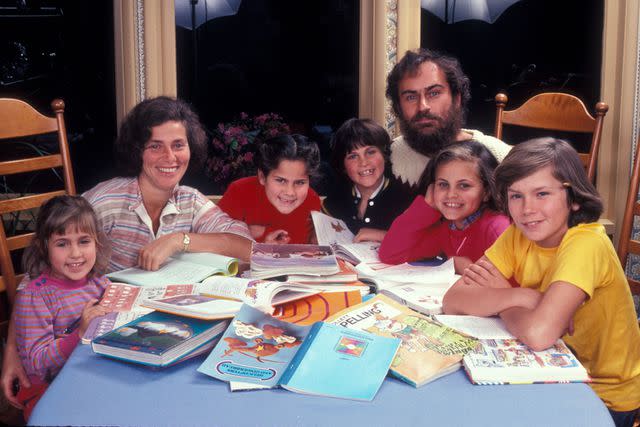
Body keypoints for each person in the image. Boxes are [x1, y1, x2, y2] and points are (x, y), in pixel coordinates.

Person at [2, 96, 253, 408]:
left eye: (178, 144)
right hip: (106, 341)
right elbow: (35, 276)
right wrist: (12, 352)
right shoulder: (107, 201)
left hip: (166, 333)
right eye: (155, 146)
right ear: (138, 151)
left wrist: (178, 240)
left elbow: (246, 246)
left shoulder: (190, 200)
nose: (169, 156)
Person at [442, 138, 640, 426]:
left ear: (573, 199)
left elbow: (538, 334)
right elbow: (453, 301)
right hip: (551, 375)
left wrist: (503, 296)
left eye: (542, 193)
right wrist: (522, 296)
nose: (527, 209)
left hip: (603, 395)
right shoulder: (518, 234)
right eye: (516, 196)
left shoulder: (587, 242)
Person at [13, 195, 112, 421]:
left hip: (91, 374)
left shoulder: (101, 283)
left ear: (97, 242)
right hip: (48, 390)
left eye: (84, 241)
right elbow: (37, 365)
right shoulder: (34, 297)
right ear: (43, 246)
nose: (75, 253)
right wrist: (79, 334)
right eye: (62, 243)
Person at [386, 48, 511, 195]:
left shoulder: (499, 156)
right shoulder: (386, 158)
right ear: (398, 107)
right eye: (411, 97)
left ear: (457, 99)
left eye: (434, 93)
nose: (423, 107)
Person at [379, 141, 510, 273]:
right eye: (443, 184)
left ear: (486, 192)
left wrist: (470, 270)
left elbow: (516, 289)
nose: (451, 194)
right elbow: (390, 255)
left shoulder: (499, 228)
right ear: (432, 187)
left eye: (464, 185)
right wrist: (427, 206)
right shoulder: (446, 228)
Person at [217, 134, 321, 244]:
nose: (290, 192)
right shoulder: (239, 191)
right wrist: (262, 242)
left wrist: (257, 231)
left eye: (300, 182)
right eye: (281, 180)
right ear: (262, 177)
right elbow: (215, 237)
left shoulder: (312, 201)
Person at [322, 118, 413, 242]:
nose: (363, 163)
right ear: (343, 166)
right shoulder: (333, 203)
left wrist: (383, 236)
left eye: (370, 152)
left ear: (384, 155)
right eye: (353, 156)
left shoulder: (407, 200)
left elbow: (425, 246)